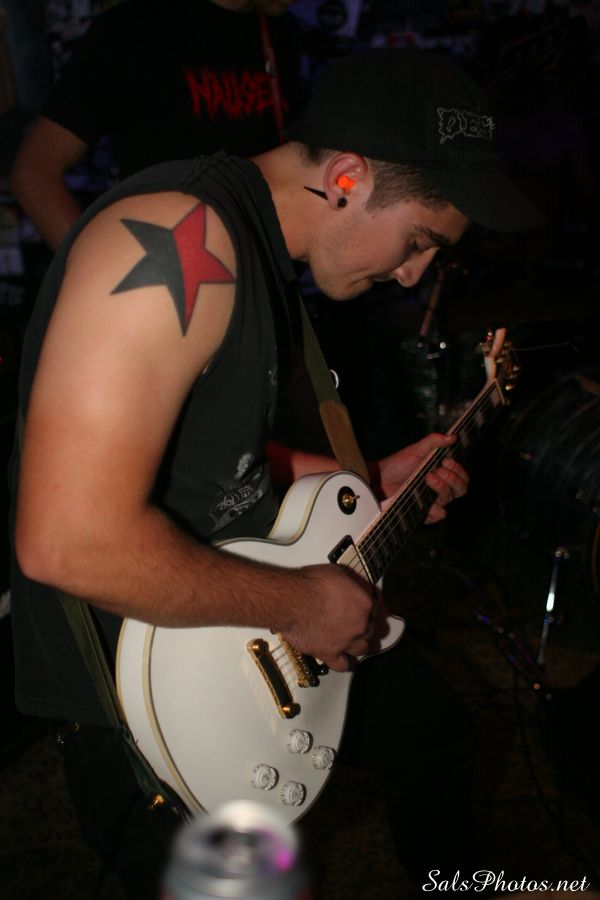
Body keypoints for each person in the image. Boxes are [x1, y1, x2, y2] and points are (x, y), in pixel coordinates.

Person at [10, 48, 542, 899]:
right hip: (146, 683)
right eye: (418, 242)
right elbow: (69, 543)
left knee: (431, 732)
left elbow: (197, 449)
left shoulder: (255, 250)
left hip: (239, 610)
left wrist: (365, 478)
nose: (413, 274)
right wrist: (301, 604)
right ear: (347, 178)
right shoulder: (180, 245)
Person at [9, 0, 301, 251]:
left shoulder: (283, 33)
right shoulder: (132, 29)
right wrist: (108, 276)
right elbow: (35, 173)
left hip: (258, 275)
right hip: (169, 274)